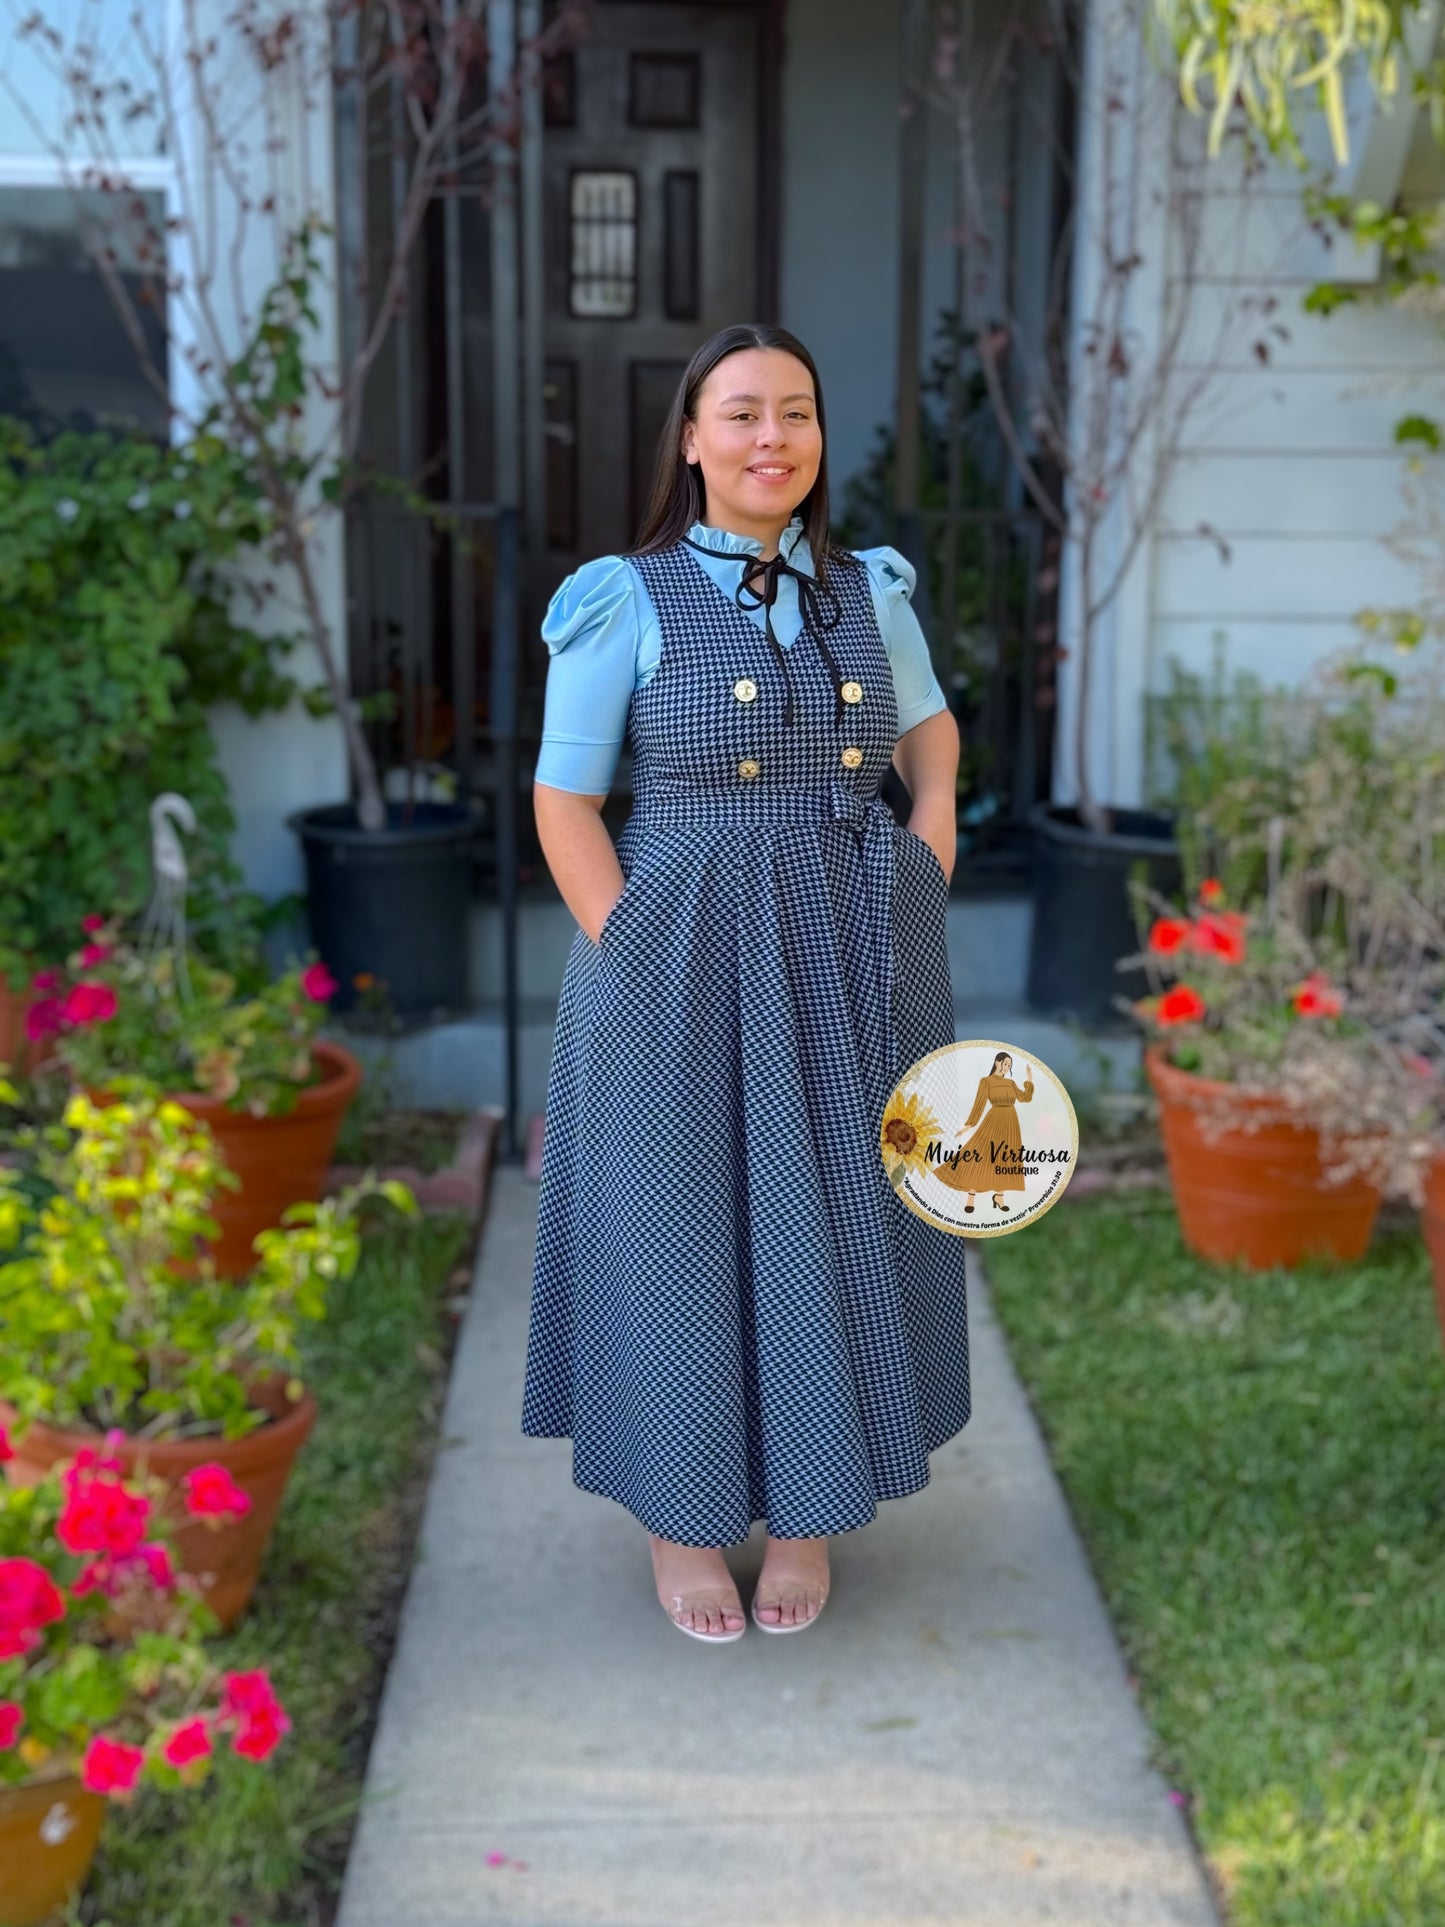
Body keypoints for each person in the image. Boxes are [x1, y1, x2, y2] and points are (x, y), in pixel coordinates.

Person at [522, 322, 970, 1644]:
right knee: (679, 1221)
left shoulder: (871, 589)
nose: (771, 437)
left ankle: (812, 1514)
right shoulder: (626, 595)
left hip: (848, 943)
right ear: (692, 437)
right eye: (740, 414)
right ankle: (682, 1522)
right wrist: (631, 951)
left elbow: (932, 742)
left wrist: (924, 856)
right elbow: (562, 802)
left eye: (796, 412)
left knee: (838, 1205)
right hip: (677, 951)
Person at [934, 1051, 1035, 1214]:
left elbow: (1024, 1098)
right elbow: (979, 1104)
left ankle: (999, 1197)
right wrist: (969, 1125)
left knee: (1005, 1158)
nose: (1006, 1067)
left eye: (1009, 1065)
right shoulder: (986, 1081)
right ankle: (971, 1196)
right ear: (997, 1062)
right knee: (980, 1156)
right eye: (1005, 1063)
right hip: (993, 1120)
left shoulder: (1010, 1083)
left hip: (1010, 1122)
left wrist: (1029, 1080)